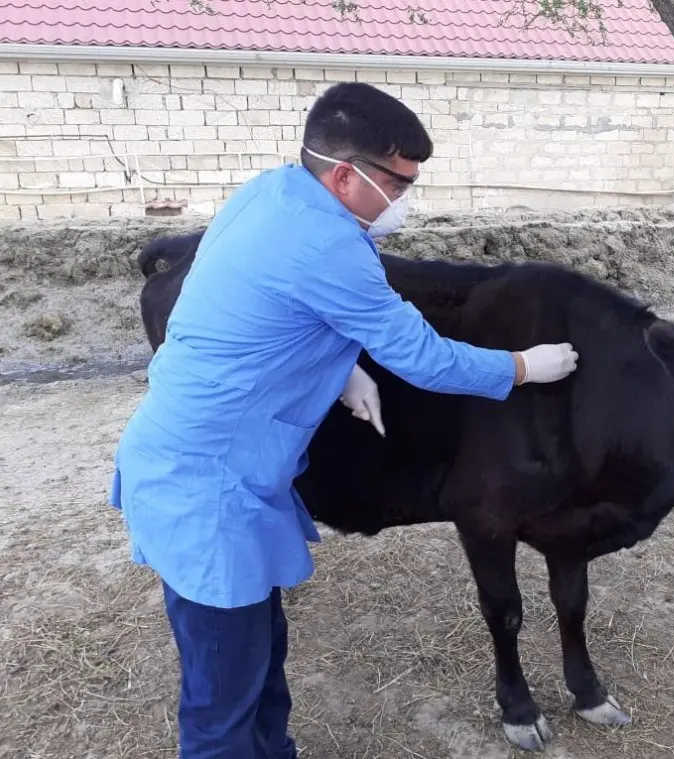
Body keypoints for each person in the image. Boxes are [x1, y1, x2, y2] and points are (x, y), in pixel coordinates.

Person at [108, 81, 579, 759]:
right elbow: (425, 358)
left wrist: (337, 367)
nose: (405, 199)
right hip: (208, 495)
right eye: (398, 182)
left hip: (197, 461)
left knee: (261, 662)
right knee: (220, 707)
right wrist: (523, 367)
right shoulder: (333, 247)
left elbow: (234, 308)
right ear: (344, 174)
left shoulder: (270, 194)